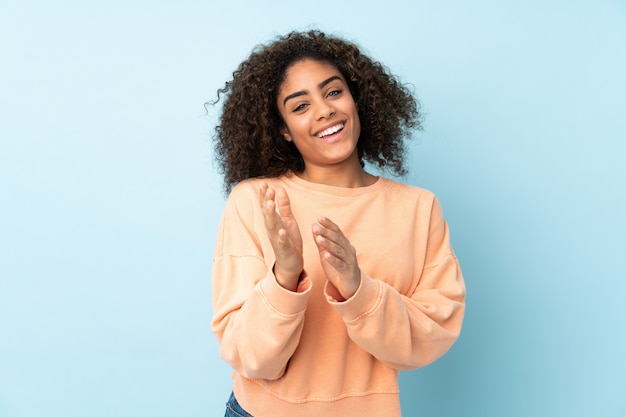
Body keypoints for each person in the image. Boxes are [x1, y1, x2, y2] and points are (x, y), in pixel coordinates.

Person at [210, 30, 466, 417]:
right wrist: (285, 275)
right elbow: (251, 358)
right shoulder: (257, 201)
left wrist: (357, 290)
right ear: (283, 130)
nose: (324, 110)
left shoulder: (419, 208)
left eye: (333, 92)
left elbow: (431, 336)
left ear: (356, 98)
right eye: (299, 106)